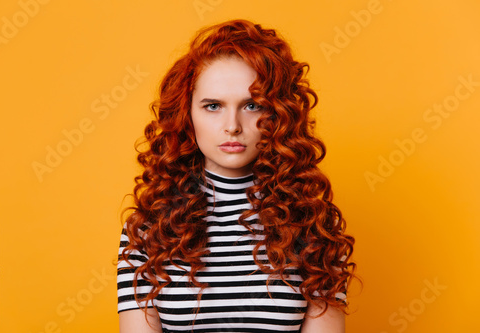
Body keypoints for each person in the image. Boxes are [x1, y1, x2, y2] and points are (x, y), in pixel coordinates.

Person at [117, 19, 356, 332]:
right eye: (213, 105)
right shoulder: (148, 229)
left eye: (252, 105)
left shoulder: (314, 225)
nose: (233, 125)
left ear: (278, 114)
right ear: (187, 114)